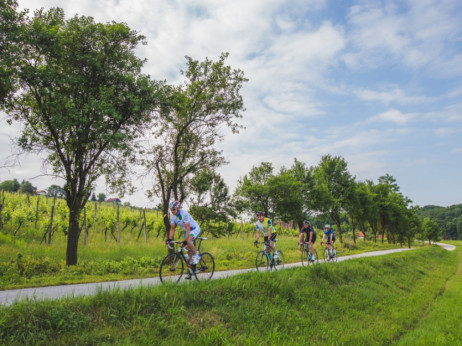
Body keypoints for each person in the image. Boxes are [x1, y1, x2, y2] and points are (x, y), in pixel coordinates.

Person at [166, 200, 201, 265]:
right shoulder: (172, 216)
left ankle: (196, 255)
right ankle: (191, 266)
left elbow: (188, 228)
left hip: (194, 228)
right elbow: (172, 228)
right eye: (171, 209)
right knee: (185, 247)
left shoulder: (184, 214)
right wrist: (169, 239)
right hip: (187, 230)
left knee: (187, 241)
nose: (172, 211)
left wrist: (185, 240)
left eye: (174, 209)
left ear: (178, 208)